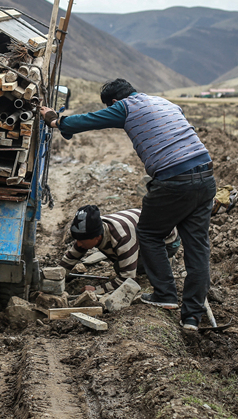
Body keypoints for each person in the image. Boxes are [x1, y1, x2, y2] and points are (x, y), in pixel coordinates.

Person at [41, 78, 216, 332]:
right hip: (206, 178)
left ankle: (165, 295)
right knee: (198, 248)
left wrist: (55, 120)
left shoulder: (126, 106)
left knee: (148, 232)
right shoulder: (165, 102)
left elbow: (89, 120)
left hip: (172, 180)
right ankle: (191, 317)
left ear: (114, 101)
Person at [60, 205, 179, 295]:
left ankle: (165, 262)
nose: (78, 244)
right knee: (120, 260)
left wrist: (97, 290)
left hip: (168, 241)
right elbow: (71, 258)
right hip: (139, 233)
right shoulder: (92, 229)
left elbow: (127, 278)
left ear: (97, 236)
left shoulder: (123, 237)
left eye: (82, 240)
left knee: (121, 267)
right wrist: (54, 278)